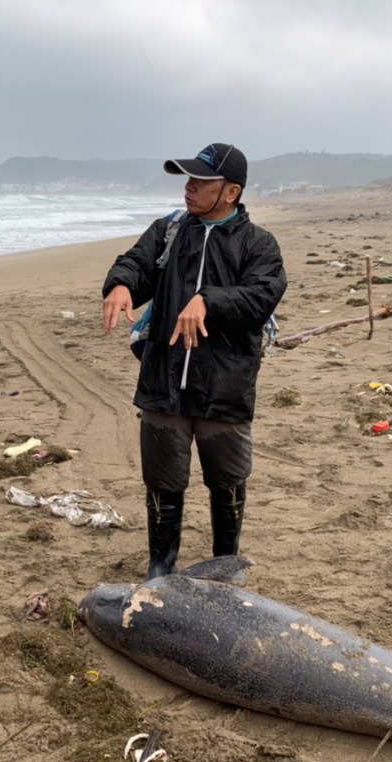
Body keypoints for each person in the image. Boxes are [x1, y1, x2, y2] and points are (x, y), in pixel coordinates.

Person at [102, 143, 286, 578]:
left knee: (228, 482)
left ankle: (227, 566)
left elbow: (262, 297)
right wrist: (122, 284)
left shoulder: (258, 243)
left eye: (201, 181)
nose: (188, 187)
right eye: (188, 179)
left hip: (225, 387)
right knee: (163, 483)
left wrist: (208, 300)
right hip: (163, 384)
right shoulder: (168, 231)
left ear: (230, 192)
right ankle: (160, 568)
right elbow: (134, 263)